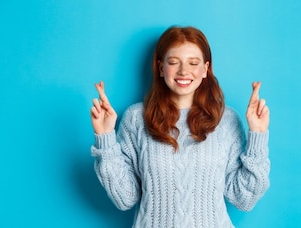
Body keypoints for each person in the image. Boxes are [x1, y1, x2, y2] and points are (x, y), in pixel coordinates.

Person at [89, 26, 270, 228]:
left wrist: (258, 135)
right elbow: (125, 198)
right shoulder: (136, 119)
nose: (184, 71)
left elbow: (243, 199)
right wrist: (105, 138)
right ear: (160, 67)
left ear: (205, 70)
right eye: (174, 62)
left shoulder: (226, 120)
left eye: (193, 63)